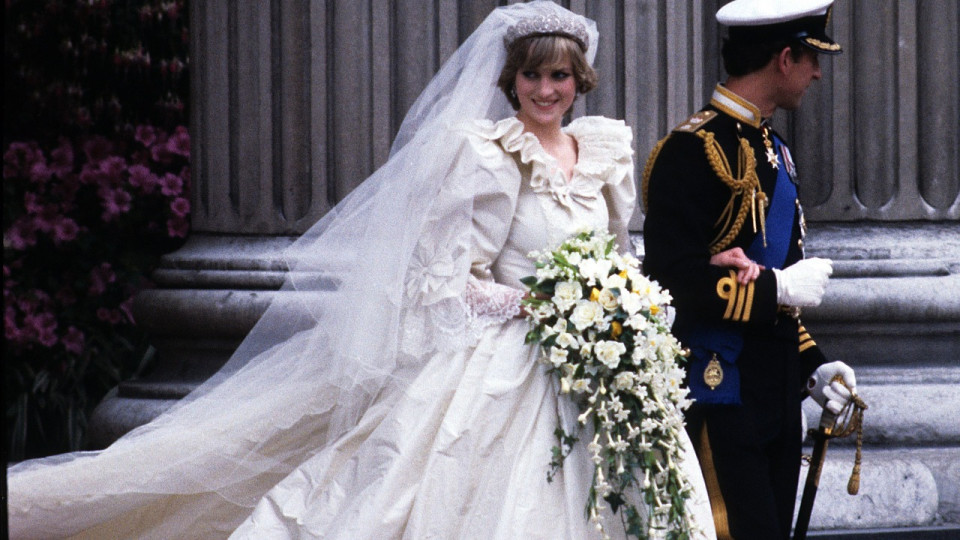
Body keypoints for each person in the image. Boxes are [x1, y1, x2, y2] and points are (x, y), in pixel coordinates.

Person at [9, 2, 715, 538]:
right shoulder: (485, 157)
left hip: (601, 362)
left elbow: (622, 253)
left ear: (578, 79)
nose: (545, 89)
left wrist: (621, 302)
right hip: (512, 358)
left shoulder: (604, 154)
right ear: (512, 78)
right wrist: (542, 306)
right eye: (532, 74)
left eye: (558, 74)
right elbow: (450, 281)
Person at [641, 0, 858, 538]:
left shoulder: (775, 150)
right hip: (722, 388)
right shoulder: (692, 150)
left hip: (777, 391)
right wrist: (776, 286)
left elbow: (779, 291)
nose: (817, 73)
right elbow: (670, 280)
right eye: (811, 59)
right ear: (784, 59)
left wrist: (814, 365)